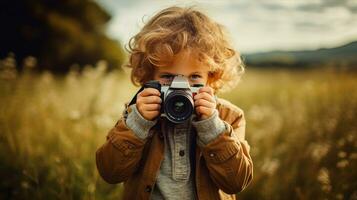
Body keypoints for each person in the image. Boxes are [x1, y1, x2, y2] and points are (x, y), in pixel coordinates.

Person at [95, 6, 253, 200]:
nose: (181, 88)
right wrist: (138, 124)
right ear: (149, 77)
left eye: (194, 77)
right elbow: (110, 173)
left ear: (210, 78)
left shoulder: (229, 116)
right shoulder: (138, 113)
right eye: (168, 77)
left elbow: (236, 182)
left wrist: (212, 127)